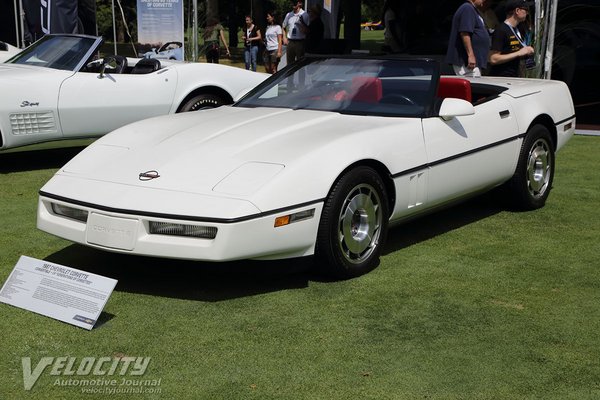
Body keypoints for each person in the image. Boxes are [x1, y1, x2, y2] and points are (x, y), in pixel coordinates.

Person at [488, 0, 535, 76]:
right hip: (502, 77)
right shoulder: (501, 30)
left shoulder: (516, 30)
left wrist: (526, 51)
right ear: (517, 10)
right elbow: (493, 59)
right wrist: (519, 53)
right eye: (526, 10)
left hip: (513, 76)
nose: (527, 13)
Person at [445, 0, 490, 77]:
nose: (484, 1)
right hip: (466, 63)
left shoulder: (473, 9)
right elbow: (465, 32)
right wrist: (471, 55)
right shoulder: (467, 8)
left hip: (473, 63)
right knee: (472, 86)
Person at [282, 0, 309, 66]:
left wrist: (302, 22)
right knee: (289, 65)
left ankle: (301, 76)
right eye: (292, 2)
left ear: (299, 3)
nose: (293, 4)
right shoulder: (289, 15)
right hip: (290, 42)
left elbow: (308, 30)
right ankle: (291, 76)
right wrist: (284, 37)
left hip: (300, 42)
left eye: (295, 2)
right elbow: (283, 26)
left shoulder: (305, 14)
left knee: (300, 64)